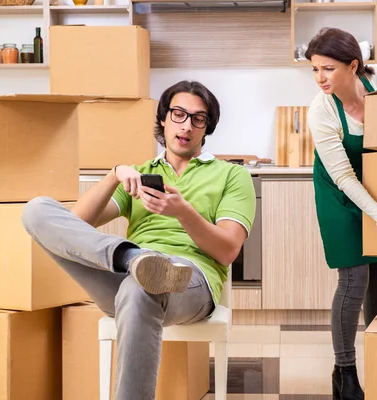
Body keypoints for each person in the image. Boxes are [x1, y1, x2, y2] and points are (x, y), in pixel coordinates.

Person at [21, 81, 256, 400]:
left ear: (207, 127)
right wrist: (114, 175)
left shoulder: (232, 176)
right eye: (178, 114)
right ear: (163, 119)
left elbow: (227, 250)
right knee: (36, 210)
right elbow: (74, 229)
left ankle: (141, 266)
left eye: (198, 119)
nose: (186, 125)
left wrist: (183, 212)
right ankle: (133, 258)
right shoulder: (140, 174)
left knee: (140, 286)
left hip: (190, 278)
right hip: (126, 268)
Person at [305, 28, 377, 400]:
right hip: (340, 190)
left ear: (353, 65)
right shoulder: (321, 110)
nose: (320, 78)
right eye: (315, 69)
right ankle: (345, 373)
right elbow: (343, 176)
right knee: (354, 279)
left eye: (328, 69)